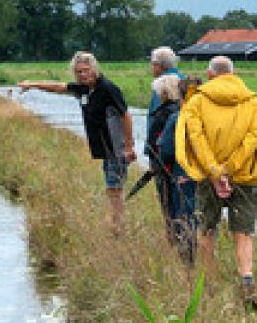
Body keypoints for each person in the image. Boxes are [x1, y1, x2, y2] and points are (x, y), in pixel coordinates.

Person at [177, 56, 257, 309]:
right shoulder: (252, 102)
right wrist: (231, 168)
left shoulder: (196, 102)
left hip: (209, 177)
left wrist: (216, 172)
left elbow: (196, 139)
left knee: (207, 228)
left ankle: (209, 282)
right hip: (244, 176)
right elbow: (254, 138)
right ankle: (247, 278)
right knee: (244, 232)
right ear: (234, 73)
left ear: (209, 75)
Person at [18, 51, 136, 235]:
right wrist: (32, 84)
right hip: (104, 149)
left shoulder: (107, 88)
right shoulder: (84, 89)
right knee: (111, 188)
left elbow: (126, 115)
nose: (83, 75)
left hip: (115, 147)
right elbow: (58, 87)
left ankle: (117, 228)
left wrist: (129, 146)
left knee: (114, 189)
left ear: (94, 69)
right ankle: (116, 225)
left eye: (86, 70)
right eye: (79, 71)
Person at [153, 74, 197, 264]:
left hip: (182, 174)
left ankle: (187, 261)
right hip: (208, 175)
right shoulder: (209, 116)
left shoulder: (177, 117)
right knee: (204, 218)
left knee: (183, 216)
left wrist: (162, 167)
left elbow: (167, 150)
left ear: (180, 96)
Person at [146, 47, 185, 240]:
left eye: (152, 64)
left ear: (158, 65)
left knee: (169, 203)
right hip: (187, 162)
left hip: (166, 161)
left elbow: (155, 127)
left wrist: (153, 159)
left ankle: (175, 240)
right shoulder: (184, 82)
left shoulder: (162, 88)